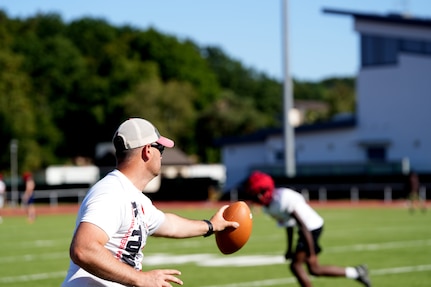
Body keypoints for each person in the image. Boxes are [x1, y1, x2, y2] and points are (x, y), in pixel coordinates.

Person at [61, 118, 239, 287]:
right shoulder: (111, 192)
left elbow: (170, 225)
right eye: (160, 149)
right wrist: (140, 278)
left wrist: (211, 225)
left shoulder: (135, 198)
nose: (161, 156)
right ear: (147, 150)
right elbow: (83, 249)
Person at [245, 171, 371, 287]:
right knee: (314, 269)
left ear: (264, 191)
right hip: (306, 229)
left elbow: (303, 224)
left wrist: (310, 253)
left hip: (311, 228)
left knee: (296, 266)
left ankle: (356, 272)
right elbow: (288, 225)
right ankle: (356, 272)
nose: (255, 198)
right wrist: (289, 249)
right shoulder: (270, 206)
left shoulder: (282, 199)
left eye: (257, 194)